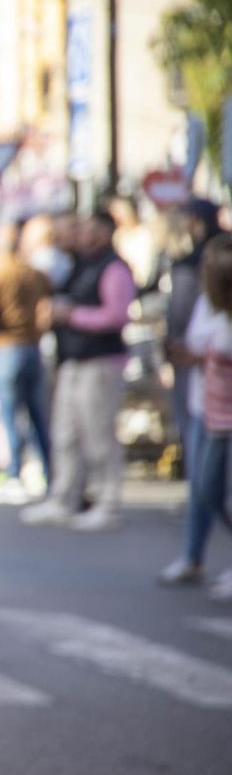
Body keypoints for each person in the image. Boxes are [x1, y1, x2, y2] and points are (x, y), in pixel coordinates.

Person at [21, 211, 137, 531]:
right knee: (65, 434)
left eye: (89, 229)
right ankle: (64, 498)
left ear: (105, 231)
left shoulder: (113, 267)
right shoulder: (79, 265)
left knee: (98, 435)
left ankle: (107, 502)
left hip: (100, 360)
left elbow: (117, 316)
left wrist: (73, 315)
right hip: (72, 358)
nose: (83, 235)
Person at [160, 235, 232, 598]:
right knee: (204, 488)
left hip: (224, 416)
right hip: (207, 409)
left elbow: (211, 347)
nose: (202, 269)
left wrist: (200, 355)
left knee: (219, 491)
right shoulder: (208, 302)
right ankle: (192, 556)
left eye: (210, 264)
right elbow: (198, 342)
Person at [0, 221, 53, 505]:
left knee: (8, 414)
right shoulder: (34, 274)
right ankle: (50, 473)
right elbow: (48, 303)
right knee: (36, 415)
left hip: (5, 347)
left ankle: (14, 474)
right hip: (31, 347)